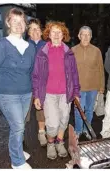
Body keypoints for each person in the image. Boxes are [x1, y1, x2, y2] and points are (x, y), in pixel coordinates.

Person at [0, 8, 35, 169]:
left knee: (18, 125)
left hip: (26, 93)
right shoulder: (2, 45)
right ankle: (17, 161)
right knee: (18, 126)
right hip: (8, 95)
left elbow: (31, 71)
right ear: (8, 23)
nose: (18, 25)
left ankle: (17, 151)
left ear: (25, 25)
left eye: (21, 21)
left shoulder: (30, 47)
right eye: (14, 21)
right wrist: (2, 89)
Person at [32, 21, 80, 160]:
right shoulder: (42, 53)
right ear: (48, 34)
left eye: (59, 32)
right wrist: (36, 96)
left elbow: (74, 74)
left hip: (66, 93)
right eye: (53, 32)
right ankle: (50, 143)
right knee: (52, 124)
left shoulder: (68, 52)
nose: (57, 34)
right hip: (49, 94)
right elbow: (36, 76)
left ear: (63, 34)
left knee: (64, 120)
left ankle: (60, 142)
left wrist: (76, 92)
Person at [71, 26, 105, 140]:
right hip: (78, 88)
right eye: (83, 34)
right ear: (79, 36)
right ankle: (78, 131)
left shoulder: (96, 51)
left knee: (89, 110)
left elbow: (100, 69)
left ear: (91, 36)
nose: (85, 37)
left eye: (88, 34)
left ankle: (86, 130)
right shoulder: (73, 50)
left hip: (93, 87)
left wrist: (101, 87)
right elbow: (69, 71)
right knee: (78, 110)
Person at [25, 18, 47, 147]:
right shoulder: (23, 45)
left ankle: (41, 133)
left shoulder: (46, 46)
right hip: (26, 85)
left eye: (38, 29)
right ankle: (20, 135)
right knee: (24, 113)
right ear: (28, 32)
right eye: (33, 29)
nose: (36, 31)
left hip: (41, 84)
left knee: (41, 110)